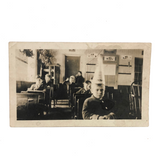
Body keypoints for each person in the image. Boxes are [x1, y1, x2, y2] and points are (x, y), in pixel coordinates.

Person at [82, 55, 115, 120]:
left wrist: (111, 115)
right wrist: (98, 118)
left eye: (102, 90)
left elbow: (114, 110)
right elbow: (86, 115)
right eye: (97, 90)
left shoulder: (108, 100)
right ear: (92, 90)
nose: (99, 92)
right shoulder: (88, 101)